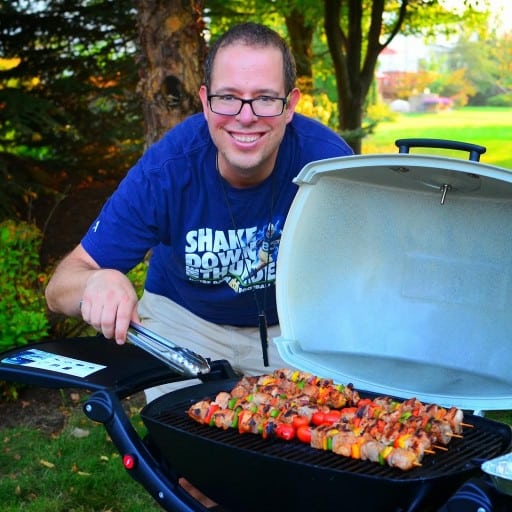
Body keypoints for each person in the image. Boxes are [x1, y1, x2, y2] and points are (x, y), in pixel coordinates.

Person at [45, 22, 353, 402]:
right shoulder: (166, 170)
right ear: (205, 102)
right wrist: (96, 282)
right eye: (228, 97)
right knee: (187, 442)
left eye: (265, 98)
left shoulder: (329, 165)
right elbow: (59, 289)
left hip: (292, 328)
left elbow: (375, 268)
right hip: (185, 325)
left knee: (312, 442)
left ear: (290, 105)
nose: (245, 116)